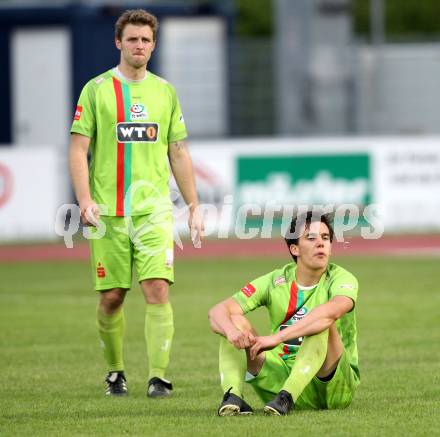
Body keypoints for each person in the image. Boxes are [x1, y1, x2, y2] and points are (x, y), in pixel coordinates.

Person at [69, 9, 203, 397]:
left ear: (153, 45)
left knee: (158, 289)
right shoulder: (96, 90)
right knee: (112, 297)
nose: (139, 45)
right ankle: (115, 372)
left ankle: (159, 376)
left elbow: (177, 151)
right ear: (118, 42)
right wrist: (84, 200)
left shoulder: (165, 92)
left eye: (145, 40)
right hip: (108, 213)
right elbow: (79, 149)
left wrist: (193, 205)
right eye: (132, 39)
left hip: (153, 211)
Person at [208, 210, 359, 415]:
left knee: (322, 322)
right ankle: (233, 396)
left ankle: (289, 395)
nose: (321, 243)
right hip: (278, 381)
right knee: (232, 321)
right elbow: (217, 311)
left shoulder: (342, 278)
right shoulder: (276, 280)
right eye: (311, 238)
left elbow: (330, 312)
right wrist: (232, 333)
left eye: (325, 238)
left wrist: (278, 337)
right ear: (294, 248)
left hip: (333, 387)